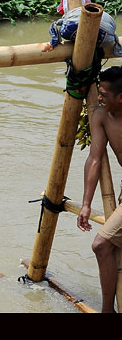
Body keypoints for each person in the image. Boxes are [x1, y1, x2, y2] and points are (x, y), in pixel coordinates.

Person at [77, 65, 122, 313]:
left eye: (104, 93)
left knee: (101, 244)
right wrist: (86, 203)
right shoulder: (101, 117)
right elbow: (94, 159)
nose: (99, 97)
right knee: (103, 245)